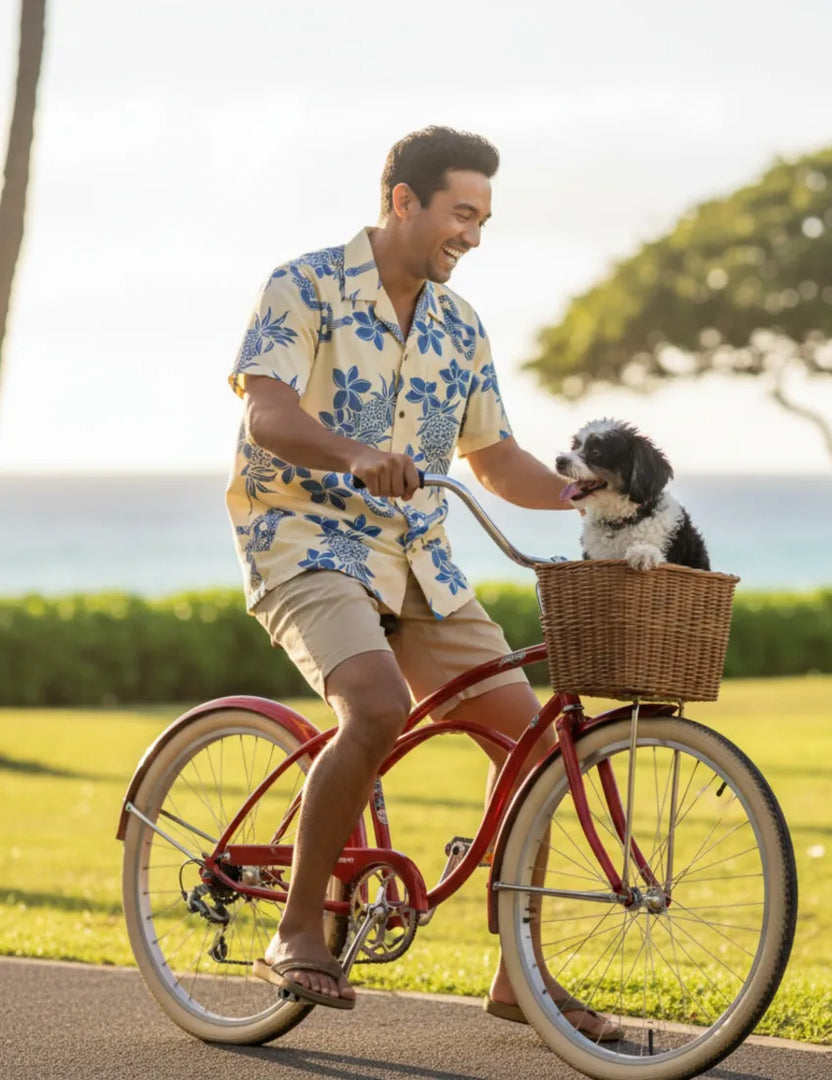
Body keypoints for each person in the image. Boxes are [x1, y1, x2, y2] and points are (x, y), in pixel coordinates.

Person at [225, 126, 619, 1040]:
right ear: (404, 200)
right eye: (460, 214)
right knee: (374, 706)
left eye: (482, 220)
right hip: (305, 539)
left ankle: (520, 976)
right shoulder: (305, 285)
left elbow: (496, 460)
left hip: (422, 563)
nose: (472, 236)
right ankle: (295, 932)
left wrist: (588, 494)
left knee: (534, 751)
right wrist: (356, 454)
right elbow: (267, 415)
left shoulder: (460, 325)